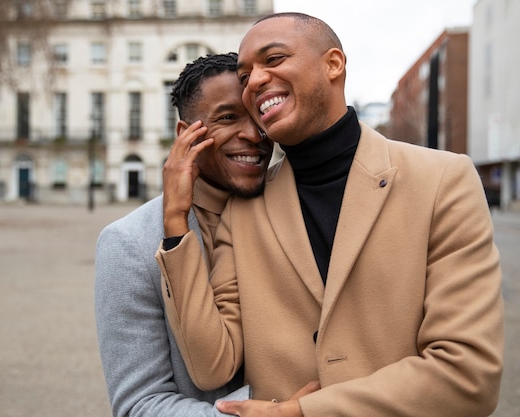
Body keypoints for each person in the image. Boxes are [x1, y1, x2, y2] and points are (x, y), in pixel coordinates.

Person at [156, 12, 504, 417]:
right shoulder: (245, 211)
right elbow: (210, 363)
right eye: (246, 74)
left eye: (273, 59)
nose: (255, 81)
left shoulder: (443, 180)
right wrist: (175, 223)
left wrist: (304, 412)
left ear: (334, 64)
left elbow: (469, 375)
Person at [94, 52, 275, 417]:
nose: (254, 135)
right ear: (186, 134)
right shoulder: (128, 244)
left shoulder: (293, 208)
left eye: (259, 117)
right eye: (228, 117)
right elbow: (140, 404)